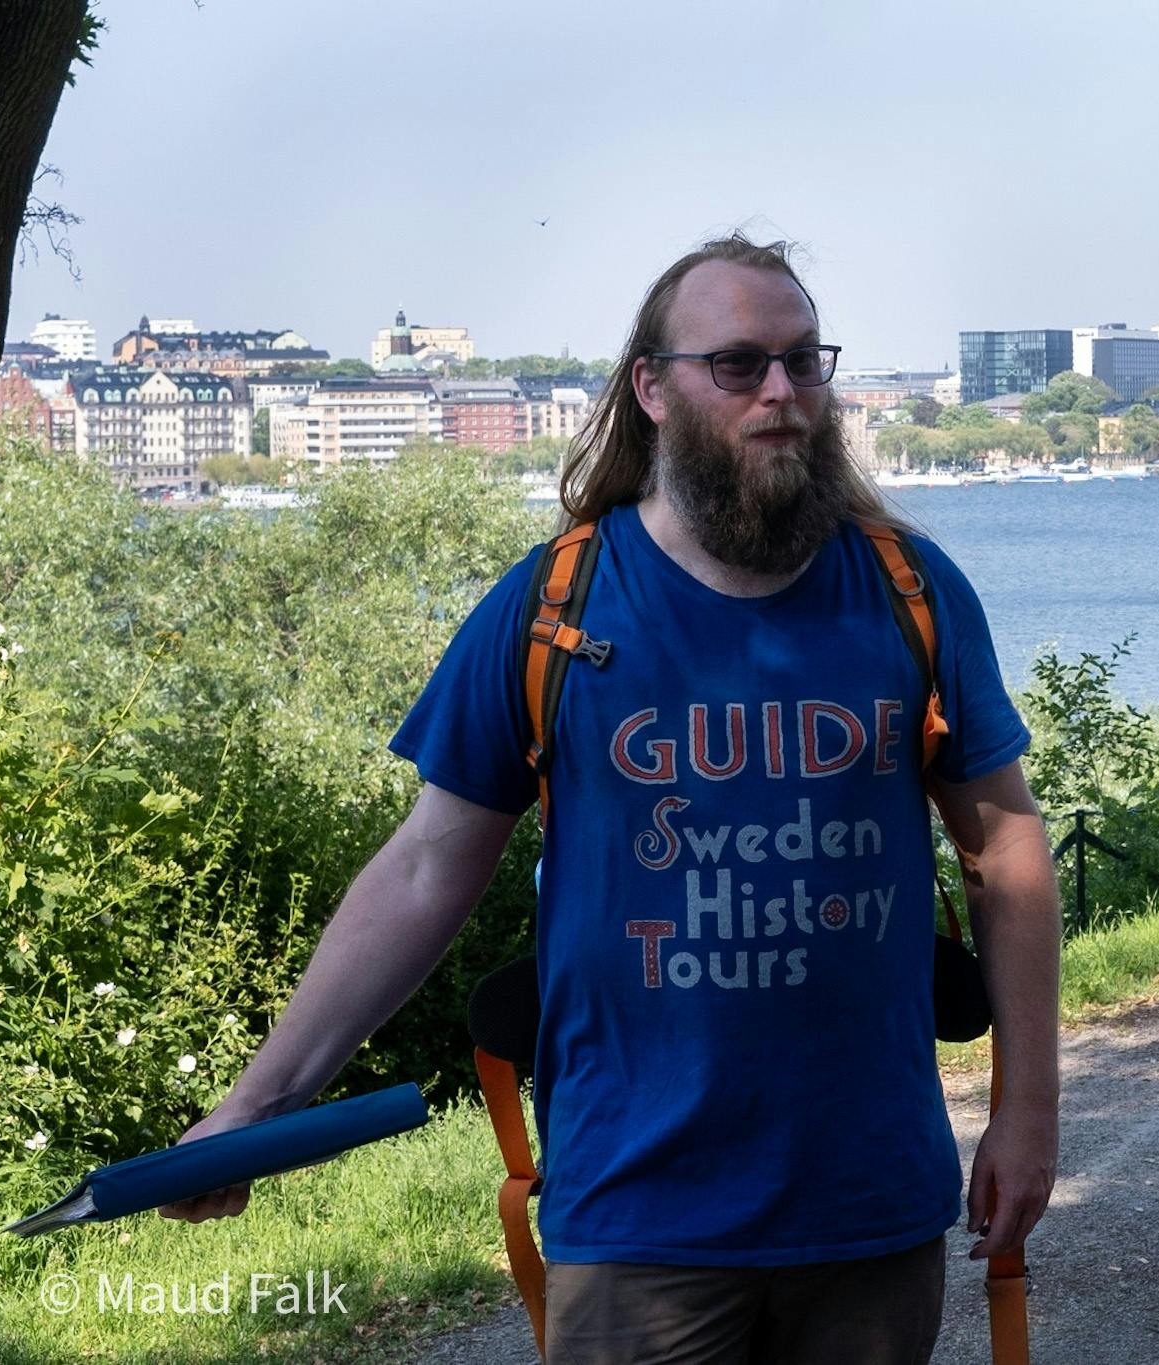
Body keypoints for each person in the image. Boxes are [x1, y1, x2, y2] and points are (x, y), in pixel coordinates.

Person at [158, 234, 1062, 1365]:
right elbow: (428, 864)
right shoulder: (551, 606)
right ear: (651, 387)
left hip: (867, 1209)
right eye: (736, 365)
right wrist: (259, 1104)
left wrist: (1028, 1113)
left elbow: (1006, 850)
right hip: (635, 1217)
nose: (780, 393)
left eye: (801, 361)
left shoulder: (909, 592)